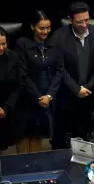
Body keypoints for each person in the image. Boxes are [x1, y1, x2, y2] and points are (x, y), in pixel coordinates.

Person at [48, 1, 94, 149]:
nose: (84, 24)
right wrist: (76, 89)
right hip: (66, 96)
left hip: (89, 94)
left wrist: (88, 86)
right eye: (80, 21)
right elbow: (59, 68)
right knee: (62, 138)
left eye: (87, 20)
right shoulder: (59, 37)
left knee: (85, 136)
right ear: (70, 19)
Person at [13, 10, 64, 153]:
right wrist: (38, 97)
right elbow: (22, 74)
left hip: (47, 99)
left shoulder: (54, 43)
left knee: (38, 139)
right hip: (26, 100)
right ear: (32, 27)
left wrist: (49, 95)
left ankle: (35, 172)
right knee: (24, 139)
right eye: (41, 28)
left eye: (48, 27)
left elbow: (59, 71)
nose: (46, 31)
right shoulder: (22, 44)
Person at [0, 27, 20, 152]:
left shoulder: (13, 57)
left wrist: (6, 107)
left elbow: (18, 86)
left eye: (4, 43)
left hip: (5, 111)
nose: (1, 48)